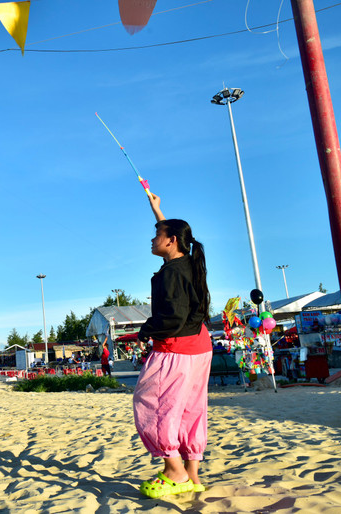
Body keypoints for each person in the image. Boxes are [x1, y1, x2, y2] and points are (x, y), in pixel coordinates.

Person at [133, 192, 212, 499]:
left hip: (176, 347)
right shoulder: (190, 262)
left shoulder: (172, 273)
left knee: (152, 403)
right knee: (191, 409)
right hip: (199, 344)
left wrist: (145, 330)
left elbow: (174, 317)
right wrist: (157, 210)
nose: (153, 239)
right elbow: (176, 231)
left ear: (172, 241)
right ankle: (192, 476)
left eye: (157, 235)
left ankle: (174, 470)